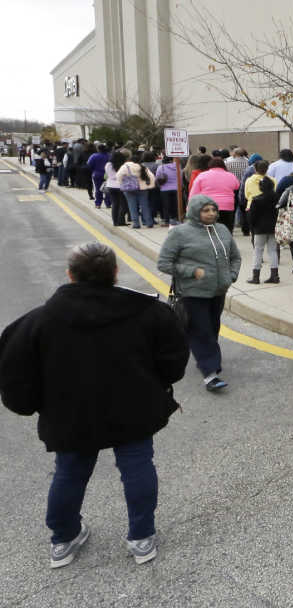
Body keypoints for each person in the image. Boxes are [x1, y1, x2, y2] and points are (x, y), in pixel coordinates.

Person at [0, 243, 189, 568]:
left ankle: (63, 538)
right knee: (138, 467)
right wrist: (159, 386)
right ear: (115, 274)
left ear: (70, 274)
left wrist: (31, 405)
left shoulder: (37, 322)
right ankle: (142, 537)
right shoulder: (149, 312)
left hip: (70, 415)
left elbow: (15, 376)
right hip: (134, 407)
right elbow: (174, 361)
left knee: (70, 473)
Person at [156, 195, 241, 391]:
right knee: (202, 331)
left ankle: (200, 355)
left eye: (213, 210)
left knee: (212, 328)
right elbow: (164, 263)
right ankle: (211, 374)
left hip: (219, 290)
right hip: (192, 292)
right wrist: (192, 272)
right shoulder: (179, 233)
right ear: (195, 211)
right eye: (206, 210)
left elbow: (235, 257)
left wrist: (232, 275)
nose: (211, 213)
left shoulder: (222, 230)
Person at [246, 162, 280, 284]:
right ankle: (275, 275)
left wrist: (252, 227)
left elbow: (252, 216)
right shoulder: (277, 198)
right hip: (273, 227)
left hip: (259, 228)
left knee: (258, 250)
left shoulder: (256, 200)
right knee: (272, 250)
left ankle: (256, 276)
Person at [189, 156, 241, 232]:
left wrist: (190, 206)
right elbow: (237, 186)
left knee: (210, 231)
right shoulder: (231, 175)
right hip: (227, 206)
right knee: (226, 230)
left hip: (208, 206)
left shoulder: (202, 175)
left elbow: (194, 193)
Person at [117, 151, 156, 229]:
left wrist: (122, 184)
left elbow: (119, 176)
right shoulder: (142, 167)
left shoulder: (125, 167)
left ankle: (136, 224)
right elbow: (152, 177)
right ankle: (149, 222)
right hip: (143, 189)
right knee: (145, 206)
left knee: (132, 206)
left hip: (129, 189)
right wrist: (150, 186)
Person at [86, 144, 110, 208]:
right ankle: (108, 203)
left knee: (97, 189)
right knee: (107, 188)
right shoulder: (109, 156)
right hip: (107, 174)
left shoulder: (94, 156)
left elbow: (89, 165)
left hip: (96, 174)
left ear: (98, 149)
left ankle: (98, 204)